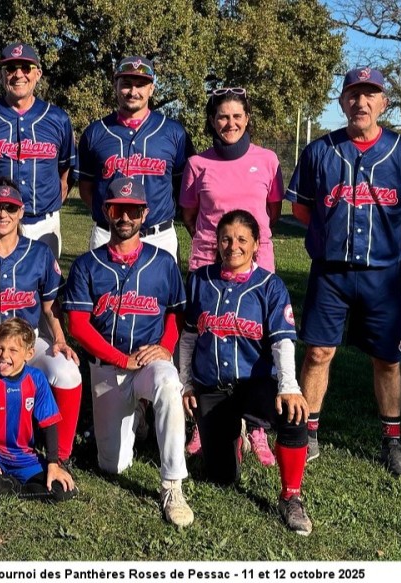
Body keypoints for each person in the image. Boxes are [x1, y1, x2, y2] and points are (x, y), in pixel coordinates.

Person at [286, 67, 401, 477]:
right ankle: (309, 432)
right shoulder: (320, 151)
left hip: (382, 275)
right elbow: (302, 208)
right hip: (330, 273)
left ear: (384, 102)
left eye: (370, 94)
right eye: (353, 94)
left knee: (387, 359)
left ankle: (391, 442)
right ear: (342, 102)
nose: (361, 102)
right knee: (318, 352)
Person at [63, 177, 193, 527]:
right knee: (113, 465)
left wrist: (165, 348)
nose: (124, 217)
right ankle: (137, 416)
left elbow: (176, 311)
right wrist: (121, 359)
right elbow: (77, 325)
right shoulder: (87, 265)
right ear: (106, 211)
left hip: (148, 364)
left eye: (132, 210)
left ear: (144, 214)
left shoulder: (163, 261)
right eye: (117, 209)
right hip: (108, 366)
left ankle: (172, 485)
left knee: (168, 383)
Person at [179, 210, 311, 535]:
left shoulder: (270, 285)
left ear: (255, 245)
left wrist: (289, 385)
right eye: (225, 238)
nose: (232, 246)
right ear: (216, 243)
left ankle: (291, 496)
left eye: (241, 239)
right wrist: (186, 384)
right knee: (221, 477)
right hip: (212, 388)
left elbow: (282, 341)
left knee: (294, 414)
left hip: (255, 385)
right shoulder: (200, 280)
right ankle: (232, 438)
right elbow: (188, 337)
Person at [179, 87, 284, 465]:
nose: (230, 123)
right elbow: (190, 216)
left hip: (256, 261)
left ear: (248, 118)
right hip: (209, 258)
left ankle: (255, 423)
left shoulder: (268, 160)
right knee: (207, 335)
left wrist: (246, 248)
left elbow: (271, 212)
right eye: (222, 116)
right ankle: (203, 420)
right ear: (211, 121)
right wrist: (214, 246)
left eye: (237, 116)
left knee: (258, 339)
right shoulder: (196, 164)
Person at [0, 178, 82, 466]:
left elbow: (49, 305)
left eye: (10, 207)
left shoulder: (39, 253)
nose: (3, 214)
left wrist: (59, 339)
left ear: (21, 212)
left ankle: (62, 455)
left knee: (68, 373)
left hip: (28, 342)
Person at [0, 43, 76, 258]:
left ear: (38, 74)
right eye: (10, 68)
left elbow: (67, 168)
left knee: (43, 289)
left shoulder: (57, 118)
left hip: (43, 223)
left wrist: (53, 200)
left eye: (26, 67)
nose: (18, 75)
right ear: (1, 75)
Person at [76, 56, 193, 257]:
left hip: (158, 235)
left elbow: (182, 186)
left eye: (141, 85)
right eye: (127, 84)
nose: (133, 92)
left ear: (152, 89)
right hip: (108, 233)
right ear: (115, 85)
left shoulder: (174, 132)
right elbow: (87, 188)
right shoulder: (95, 132)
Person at [0, 318, 77, 502]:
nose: (4, 355)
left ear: (29, 353)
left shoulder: (36, 379)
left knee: (63, 490)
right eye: (0, 348)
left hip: (24, 458)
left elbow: (49, 424)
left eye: (13, 350)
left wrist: (53, 464)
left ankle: (11, 486)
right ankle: (13, 487)